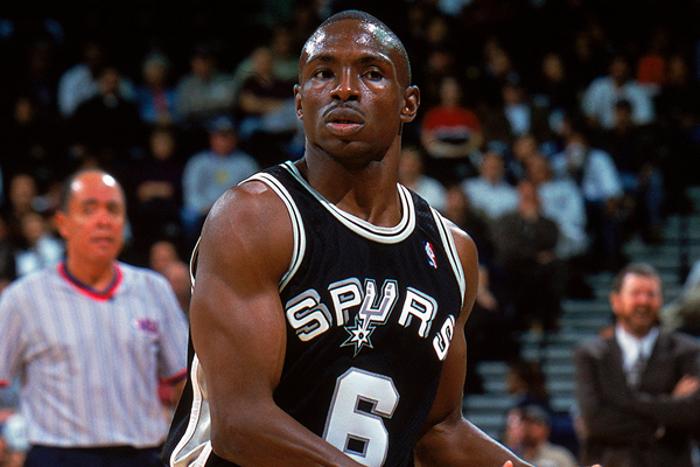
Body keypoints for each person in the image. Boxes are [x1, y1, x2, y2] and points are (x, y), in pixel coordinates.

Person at [164, 10, 530, 467]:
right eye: (323, 74)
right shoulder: (254, 217)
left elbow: (438, 430)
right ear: (300, 102)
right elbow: (240, 425)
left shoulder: (452, 252)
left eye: (372, 73)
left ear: (409, 104)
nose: (344, 89)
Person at [0, 170, 188, 467]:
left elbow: (184, 384)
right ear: (62, 223)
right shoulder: (23, 298)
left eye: (113, 210)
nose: (103, 220)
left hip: (142, 455)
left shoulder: (154, 289)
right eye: (89, 210)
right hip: (57, 457)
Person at [574, 263, 700, 467]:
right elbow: (596, 422)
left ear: (661, 300)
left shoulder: (688, 351)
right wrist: (666, 414)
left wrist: (621, 402)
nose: (643, 301)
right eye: (635, 293)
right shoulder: (591, 354)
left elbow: (693, 414)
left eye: (651, 294)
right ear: (616, 301)